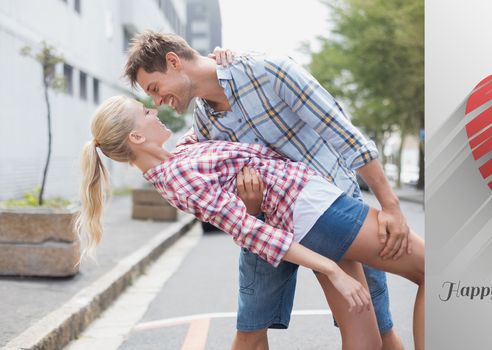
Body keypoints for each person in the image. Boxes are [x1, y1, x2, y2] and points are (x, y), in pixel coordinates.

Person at [123, 31, 413, 349]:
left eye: (154, 89)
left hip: (331, 203)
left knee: (377, 329)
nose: (156, 102)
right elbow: (225, 203)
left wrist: (390, 205)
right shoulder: (204, 124)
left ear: (174, 62)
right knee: (251, 330)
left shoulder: (266, 71)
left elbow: (345, 135)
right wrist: (250, 204)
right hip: (267, 225)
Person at [77, 95, 425, 349]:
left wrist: (224, 61)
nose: (154, 110)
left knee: (365, 337)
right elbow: (248, 231)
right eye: (145, 112)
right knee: (432, 272)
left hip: (315, 205)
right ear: (136, 138)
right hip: (312, 210)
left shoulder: (181, 153)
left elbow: (212, 111)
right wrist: (330, 269)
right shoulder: (177, 176)